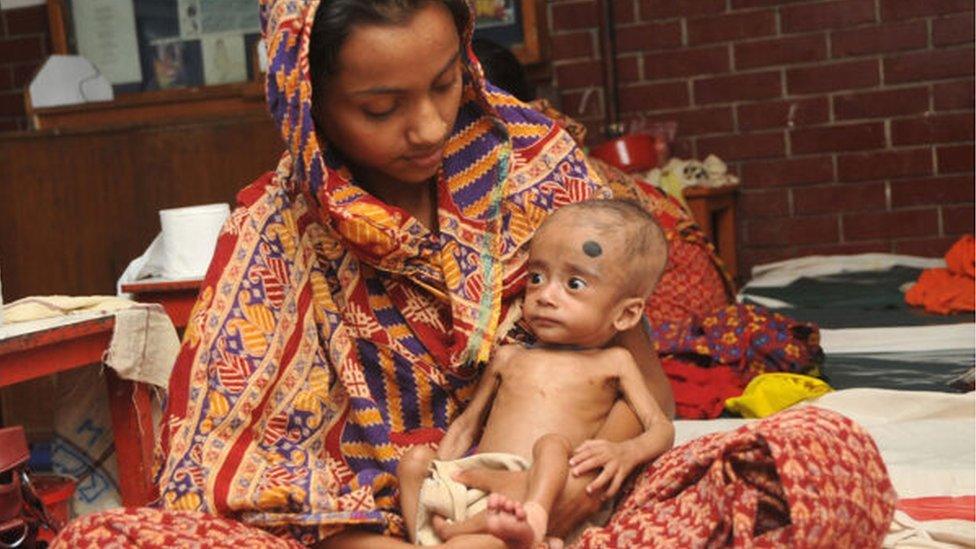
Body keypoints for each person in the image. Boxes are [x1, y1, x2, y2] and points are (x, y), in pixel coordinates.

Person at [53, 0, 895, 546]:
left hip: (573, 509)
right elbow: (240, 479)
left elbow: (639, 387)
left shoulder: (540, 168)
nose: (426, 128)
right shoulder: (278, 237)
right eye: (380, 108)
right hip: (386, 526)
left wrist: (567, 490)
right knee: (108, 539)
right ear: (306, 107)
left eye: (448, 83)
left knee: (827, 455)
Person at [398, 200, 674, 547]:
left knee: (552, 445)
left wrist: (627, 452)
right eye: (536, 278)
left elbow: (661, 427)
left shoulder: (615, 362)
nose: (545, 296)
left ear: (626, 315)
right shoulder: (508, 357)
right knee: (414, 462)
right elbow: (467, 425)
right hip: (478, 480)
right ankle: (424, 539)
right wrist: (442, 471)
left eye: (573, 284)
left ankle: (534, 521)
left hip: (538, 488)